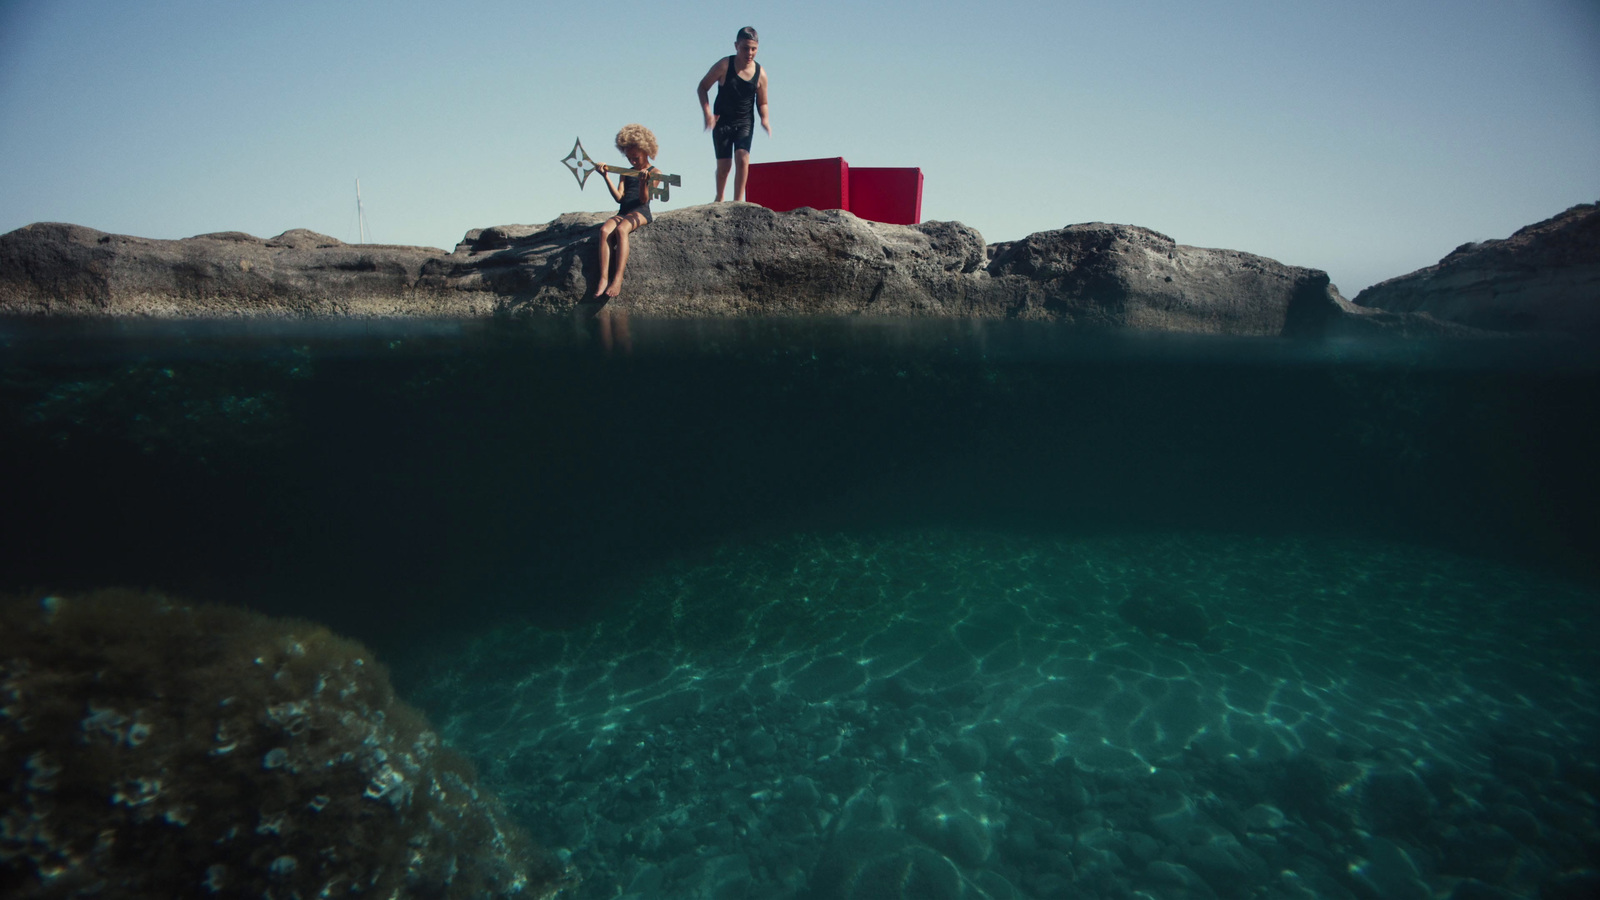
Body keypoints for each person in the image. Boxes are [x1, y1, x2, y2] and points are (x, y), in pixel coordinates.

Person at [697, 26, 770, 202]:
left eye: (753, 49)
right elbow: (702, 87)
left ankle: (738, 201)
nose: (749, 52)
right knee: (724, 166)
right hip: (722, 121)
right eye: (745, 48)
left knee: (742, 158)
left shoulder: (760, 74)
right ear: (736, 45)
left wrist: (765, 119)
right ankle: (719, 198)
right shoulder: (724, 65)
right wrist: (707, 114)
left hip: (745, 121)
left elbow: (763, 102)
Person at [591, 124, 659, 299]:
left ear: (646, 151)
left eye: (636, 158)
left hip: (641, 212)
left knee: (622, 230)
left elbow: (644, 200)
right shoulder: (625, 173)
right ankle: (604, 277)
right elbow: (619, 197)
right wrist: (605, 177)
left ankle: (618, 278)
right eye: (629, 158)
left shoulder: (655, 172)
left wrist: (644, 182)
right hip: (624, 210)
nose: (633, 162)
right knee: (604, 230)